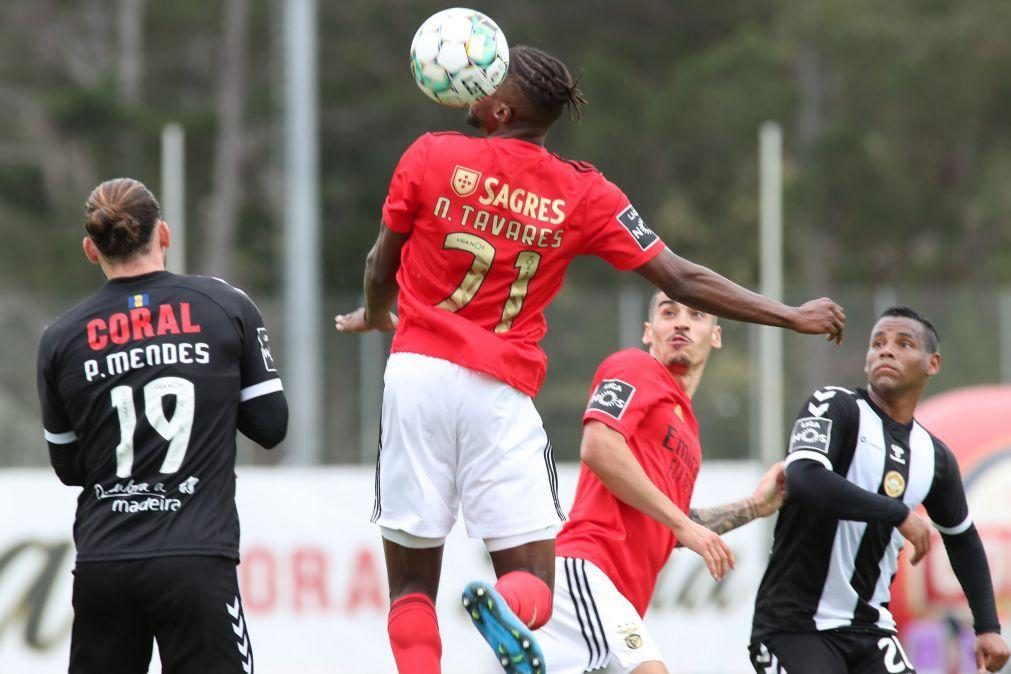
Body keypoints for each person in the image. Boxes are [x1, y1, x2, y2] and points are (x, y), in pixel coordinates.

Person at [334, 45, 845, 674]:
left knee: (412, 583)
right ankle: (502, 603)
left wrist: (379, 311)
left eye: (486, 81)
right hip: (499, 391)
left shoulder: (430, 154)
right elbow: (680, 277)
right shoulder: (583, 192)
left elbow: (377, 267)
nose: (472, 88)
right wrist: (788, 315)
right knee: (534, 587)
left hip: (415, 375)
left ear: (500, 106)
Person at [36, 178, 288, 674]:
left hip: (103, 563)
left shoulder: (60, 338)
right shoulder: (225, 306)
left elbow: (68, 467)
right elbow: (270, 425)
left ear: (91, 249)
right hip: (196, 559)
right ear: (164, 234)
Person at [536, 291, 787, 674]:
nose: (682, 322)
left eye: (697, 314)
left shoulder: (689, 431)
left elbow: (672, 524)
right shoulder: (634, 367)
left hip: (618, 598)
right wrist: (682, 525)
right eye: (669, 313)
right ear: (648, 332)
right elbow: (599, 445)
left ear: (715, 335)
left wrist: (755, 506)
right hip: (588, 569)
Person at [749, 306, 1009, 674]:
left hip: (871, 631)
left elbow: (963, 540)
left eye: (904, 344)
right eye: (878, 343)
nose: (887, 350)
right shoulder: (834, 406)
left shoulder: (934, 456)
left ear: (932, 364)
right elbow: (805, 478)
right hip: (796, 628)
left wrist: (987, 627)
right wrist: (897, 512)